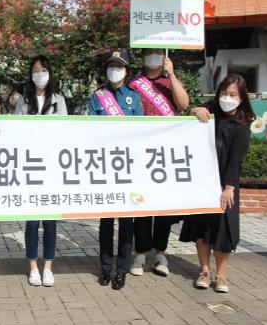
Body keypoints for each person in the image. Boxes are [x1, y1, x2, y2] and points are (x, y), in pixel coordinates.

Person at [180, 73, 255, 293]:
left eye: (232, 94)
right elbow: (190, 120)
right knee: (202, 228)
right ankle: (204, 271)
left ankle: (221, 275)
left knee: (223, 230)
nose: (227, 98)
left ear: (241, 97)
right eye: (224, 93)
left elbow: (236, 159)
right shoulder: (211, 113)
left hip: (225, 185)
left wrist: (229, 188)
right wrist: (196, 110)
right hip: (203, 181)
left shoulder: (242, 123)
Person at [128, 48, 190, 277]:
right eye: (149, 52)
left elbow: (184, 104)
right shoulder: (135, 84)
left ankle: (161, 253)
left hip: (166, 151)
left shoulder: (169, 82)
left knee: (163, 205)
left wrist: (171, 74)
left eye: (157, 52)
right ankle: (141, 252)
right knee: (142, 205)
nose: (153, 56)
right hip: (142, 151)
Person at [88, 49, 143, 290]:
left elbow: (141, 131)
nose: (114, 70)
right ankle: (105, 267)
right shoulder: (98, 96)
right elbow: (92, 127)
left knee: (127, 221)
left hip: (128, 165)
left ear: (126, 71)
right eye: (111, 66)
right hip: (105, 164)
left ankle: (122, 269)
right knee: (107, 220)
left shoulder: (133, 97)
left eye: (118, 66)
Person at [15, 55, 67, 287]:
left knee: (51, 221)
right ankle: (33, 266)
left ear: (50, 72)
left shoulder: (58, 100)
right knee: (32, 221)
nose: (40, 74)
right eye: (35, 70)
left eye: (43, 69)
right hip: (30, 167)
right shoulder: (23, 100)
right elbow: (14, 131)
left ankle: (48, 267)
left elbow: (65, 131)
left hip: (52, 168)